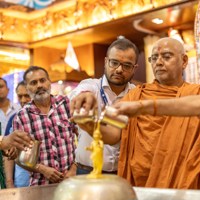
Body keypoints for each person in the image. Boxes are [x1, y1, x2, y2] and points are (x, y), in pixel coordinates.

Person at [70, 37, 200, 189]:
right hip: (140, 181)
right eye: (154, 58)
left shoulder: (194, 93)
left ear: (184, 61)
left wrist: (144, 106)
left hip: (183, 179)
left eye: (166, 57)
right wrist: (89, 125)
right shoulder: (135, 95)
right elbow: (113, 134)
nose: (158, 62)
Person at [68, 37, 139, 174]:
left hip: (123, 173)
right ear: (106, 62)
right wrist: (85, 97)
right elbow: (81, 92)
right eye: (114, 63)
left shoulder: (136, 94)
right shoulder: (91, 85)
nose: (119, 70)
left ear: (134, 68)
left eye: (126, 66)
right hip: (87, 171)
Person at [13, 66, 77, 186]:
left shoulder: (66, 104)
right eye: (33, 83)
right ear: (27, 88)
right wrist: (42, 169)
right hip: (40, 184)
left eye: (42, 80)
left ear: (49, 82)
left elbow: (84, 138)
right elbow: (19, 157)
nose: (39, 85)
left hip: (71, 182)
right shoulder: (21, 117)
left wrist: (74, 167)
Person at [4, 81, 31, 188]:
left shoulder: (46, 116)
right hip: (21, 182)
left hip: (47, 180)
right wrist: (9, 182)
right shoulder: (14, 119)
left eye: (27, 96)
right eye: (20, 96)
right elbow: (7, 153)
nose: (23, 100)